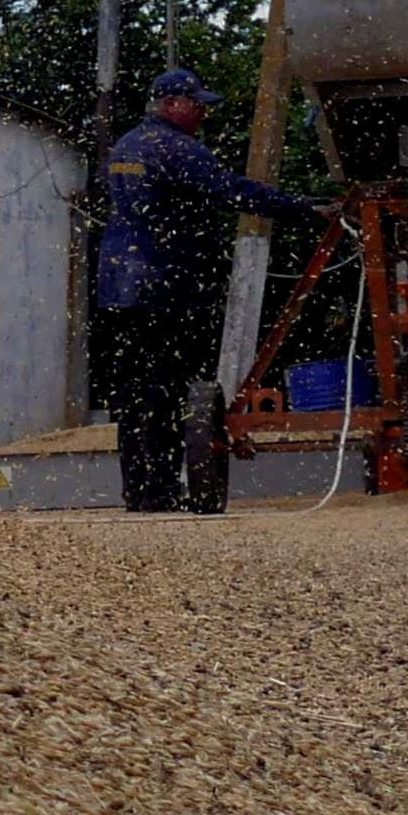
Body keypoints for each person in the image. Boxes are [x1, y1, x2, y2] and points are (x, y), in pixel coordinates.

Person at [94, 69, 313, 512]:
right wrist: (303, 209)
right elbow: (230, 191)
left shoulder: (126, 146)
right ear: (172, 102)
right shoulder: (178, 149)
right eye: (196, 104)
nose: (202, 113)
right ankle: (159, 491)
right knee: (168, 390)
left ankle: (141, 489)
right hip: (165, 286)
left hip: (120, 286)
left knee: (136, 393)